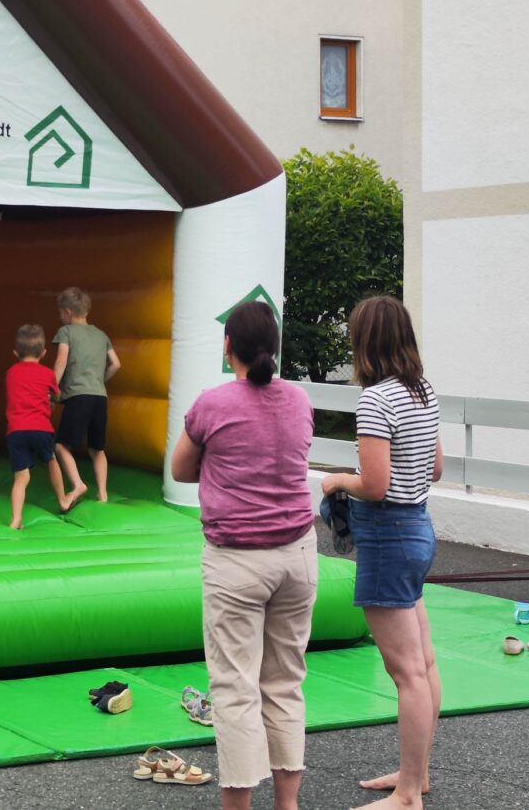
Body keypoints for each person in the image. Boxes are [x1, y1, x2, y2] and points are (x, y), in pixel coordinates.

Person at [170, 301, 317, 810]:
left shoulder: (212, 404)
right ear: (274, 346)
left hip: (237, 561)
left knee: (234, 687)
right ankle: (287, 804)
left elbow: (181, 470)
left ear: (227, 345)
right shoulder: (299, 399)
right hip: (298, 554)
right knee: (285, 682)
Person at [320, 295, 444, 810]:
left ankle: (408, 794)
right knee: (424, 663)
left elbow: (374, 484)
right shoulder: (422, 390)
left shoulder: (375, 401)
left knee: (405, 671)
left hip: (388, 538)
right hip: (418, 528)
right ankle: (417, 774)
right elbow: (435, 469)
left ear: (364, 341)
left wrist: (335, 480)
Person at [51, 287, 121, 504]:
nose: (61, 317)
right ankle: (103, 494)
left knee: (61, 445)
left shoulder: (66, 331)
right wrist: (100, 381)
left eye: (60, 313)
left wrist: (51, 388)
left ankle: (78, 484)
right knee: (97, 448)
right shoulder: (101, 335)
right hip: (99, 396)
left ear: (68, 312)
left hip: (78, 396)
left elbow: (61, 360)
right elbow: (116, 364)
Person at [4, 324, 72, 529]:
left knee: (21, 477)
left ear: (15, 353)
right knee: (51, 461)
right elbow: (56, 394)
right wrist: (52, 398)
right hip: (41, 428)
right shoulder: (47, 373)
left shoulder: (11, 373)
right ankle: (62, 499)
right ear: (43, 353)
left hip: (16, 430)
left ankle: (16, 518)